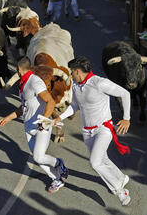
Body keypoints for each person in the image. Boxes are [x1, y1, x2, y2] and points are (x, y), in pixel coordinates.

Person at [54, 56, 132, 205]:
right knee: (102, 159)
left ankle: (120, 192)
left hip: (103, 129)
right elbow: (75, 106)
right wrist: (60, 117)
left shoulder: (100, 83)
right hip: (87, 131)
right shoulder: (76, 86)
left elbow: (125, 94)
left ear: (77, 71)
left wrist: (126, 118)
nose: (71, 75)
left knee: (95, 163)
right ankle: (121, 178)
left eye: (71, 72)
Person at [0, 57, 69, 192]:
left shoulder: (35, 82)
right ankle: (56, 178)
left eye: (17, 71)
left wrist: (43, 121)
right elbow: (24, 107)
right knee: (38, 158)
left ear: (19, 70)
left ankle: (59, 163)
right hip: (29, 127)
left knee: (38, 156)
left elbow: (50, 102)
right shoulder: (23, 85)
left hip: (41, 125)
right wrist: (9, 117)